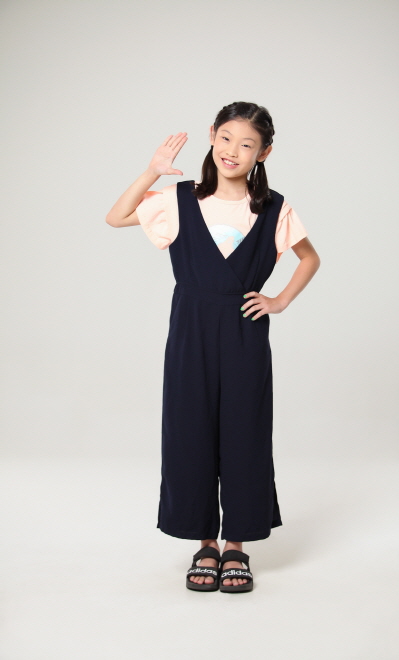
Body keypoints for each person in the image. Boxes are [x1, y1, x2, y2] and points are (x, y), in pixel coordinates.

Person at [106, 101, 320, 593]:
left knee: (245, 433)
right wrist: (152, 170)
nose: (233, 151)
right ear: (211, 136)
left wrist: (280, 300)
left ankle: (236, 545)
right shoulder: (179, 199)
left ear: (263, 153)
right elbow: (116, 217)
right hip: (191, 331)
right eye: (226, 138)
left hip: (245, 332)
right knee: (190, 430)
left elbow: (309, 258)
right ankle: (204, 542)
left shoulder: (274, 208)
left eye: (247, 144)